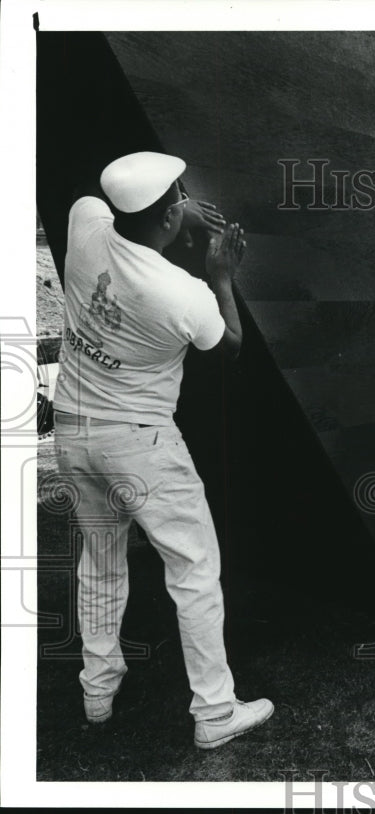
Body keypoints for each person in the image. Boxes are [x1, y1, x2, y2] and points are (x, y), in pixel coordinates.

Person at [52, 151, 273, 750]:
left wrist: (175, 211)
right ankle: (215, 711)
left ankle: (97, 689)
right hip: (142, 444)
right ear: (173, 213)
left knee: (98, 565)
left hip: (73, 432)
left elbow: (95, 194)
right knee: (194, 570)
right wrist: (221, 274)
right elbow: (228, 346)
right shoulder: (183, 292)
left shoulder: (83, 226)